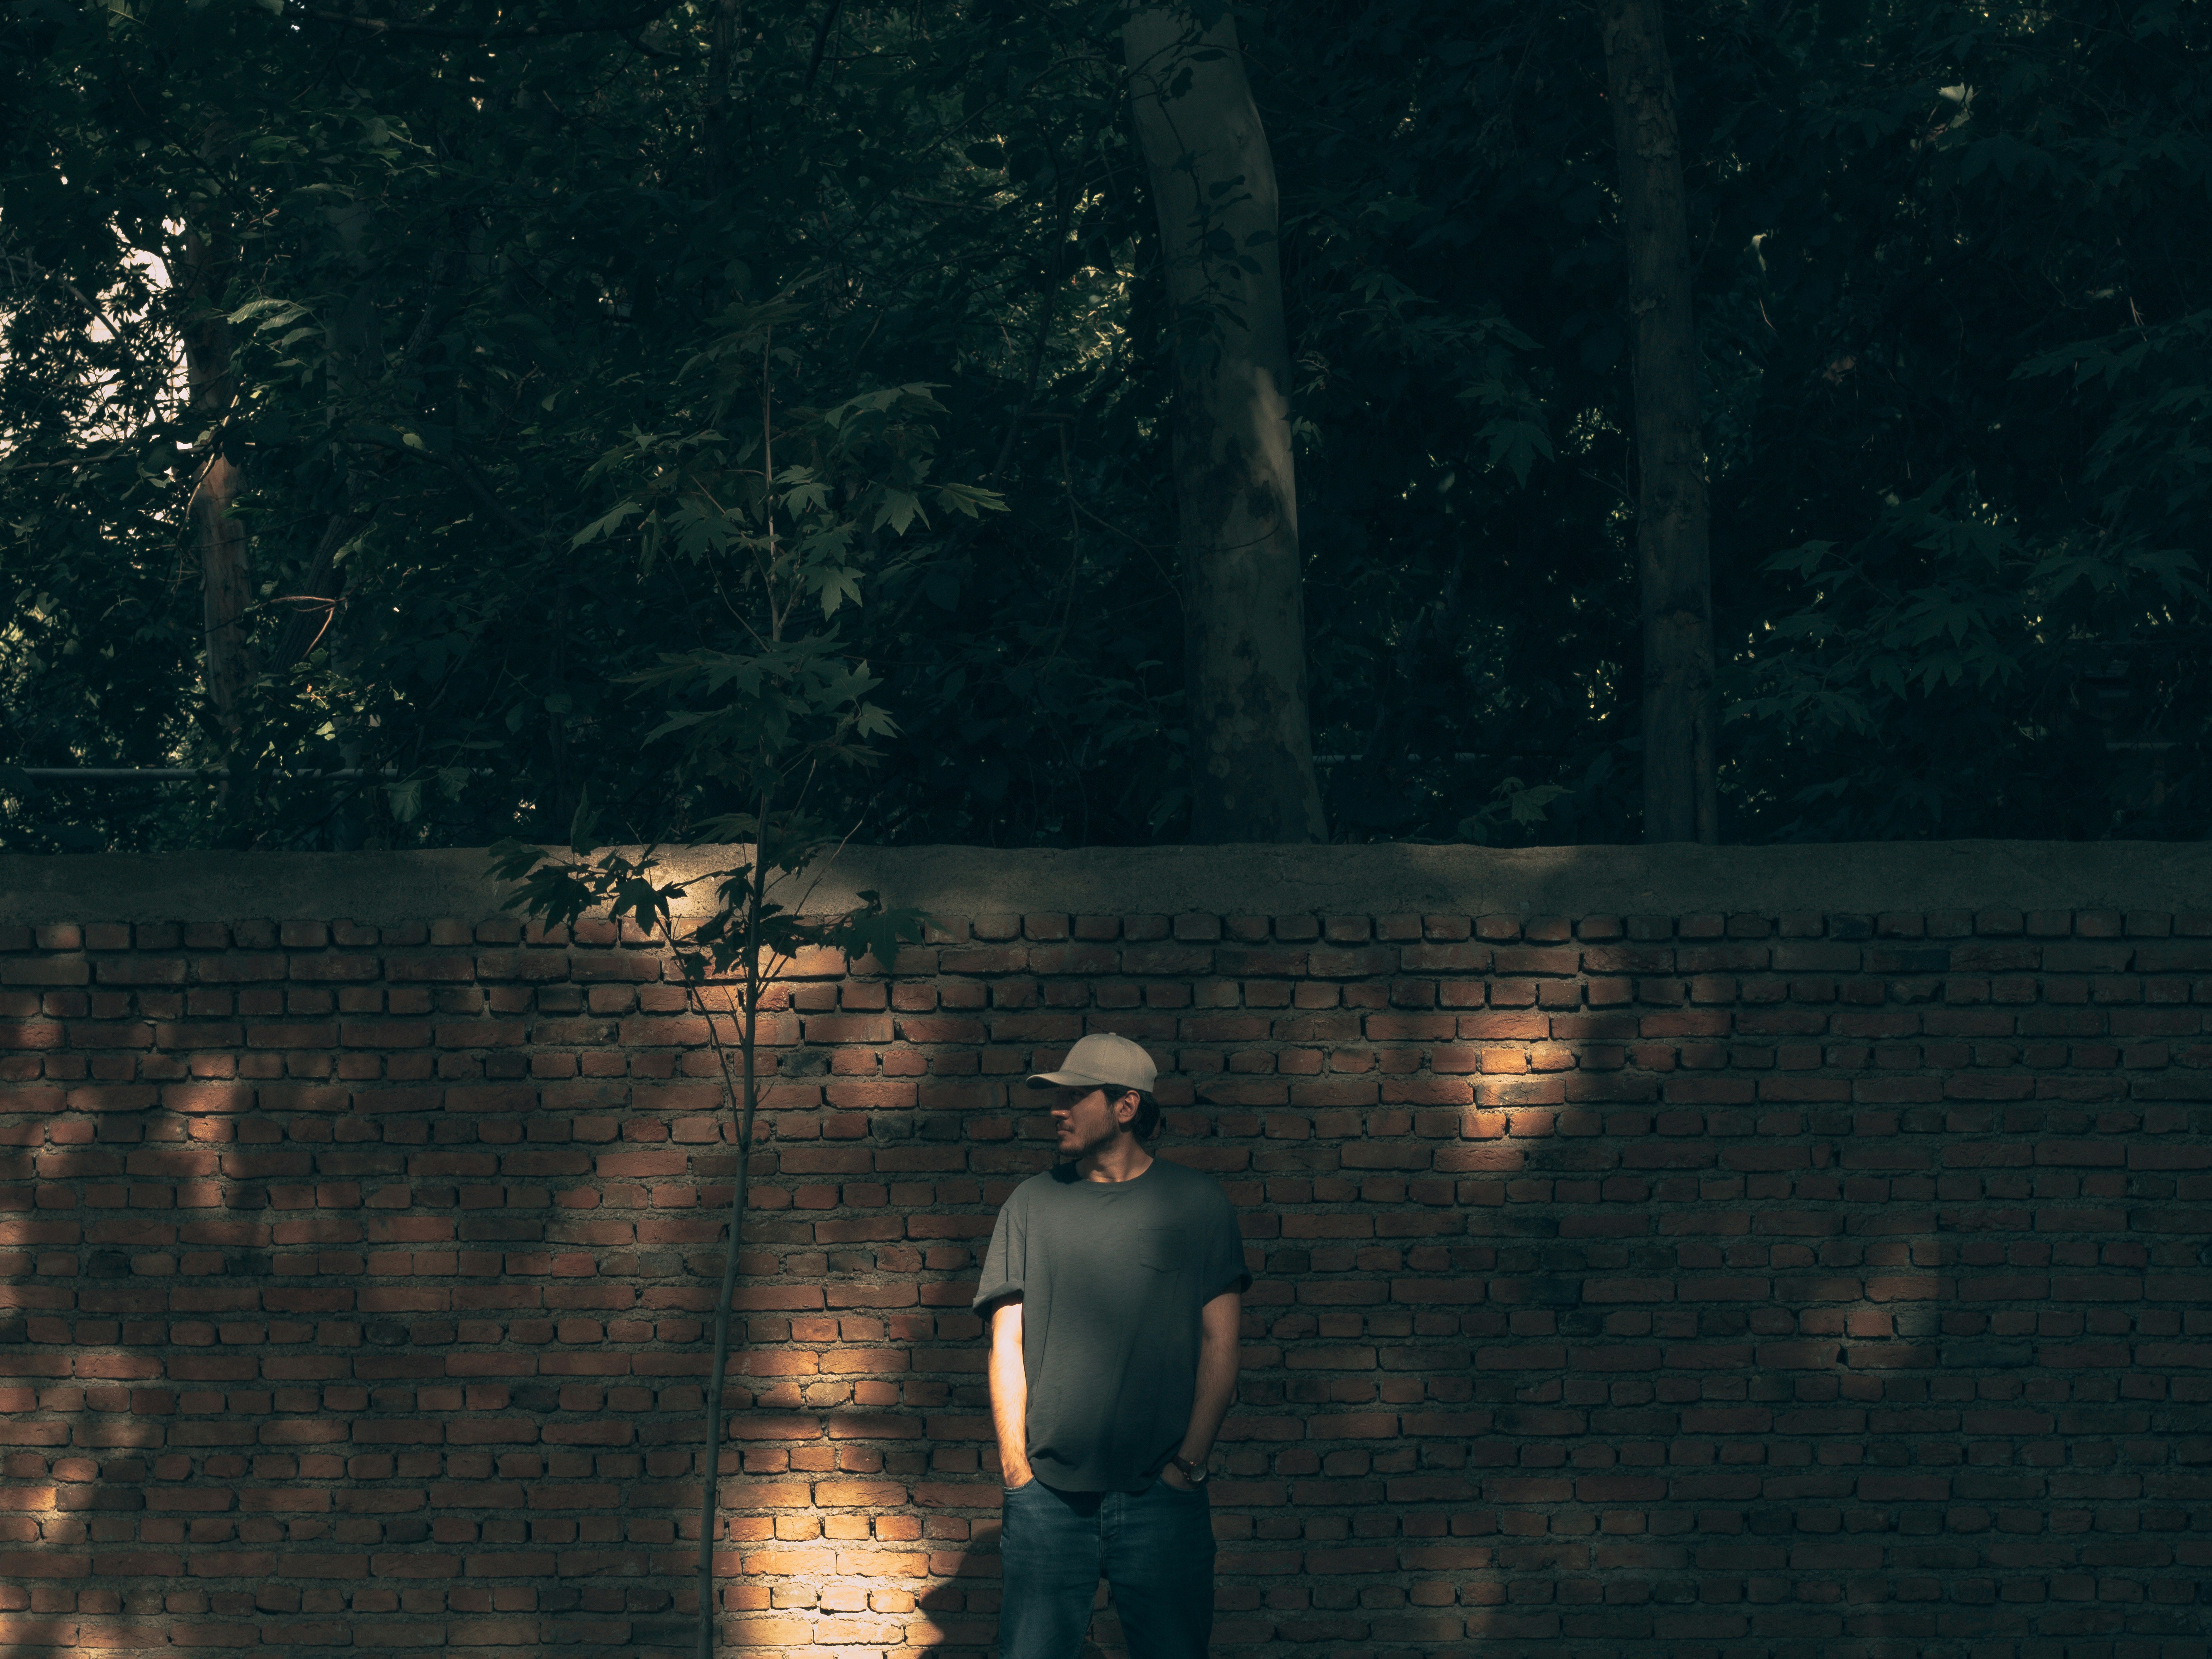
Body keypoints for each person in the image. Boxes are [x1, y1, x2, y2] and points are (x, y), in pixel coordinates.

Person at [973, 1031, 1249, 1659]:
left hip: (1161, 1495)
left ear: (1126, 1107)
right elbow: (1005, 1345)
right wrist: (1017, 1472)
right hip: (1048, 1498)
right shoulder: (1031, 1205)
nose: (1056, 1109)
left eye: (1074, 1096)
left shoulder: (1196, 1204)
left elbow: (1221, 1344)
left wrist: (1188, 1467)